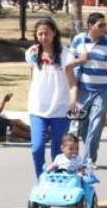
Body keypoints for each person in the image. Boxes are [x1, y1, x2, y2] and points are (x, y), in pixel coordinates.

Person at [69, 12, 107, 166]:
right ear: (90, 26)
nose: (103, 28)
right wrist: (80, 60)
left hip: (102, 90)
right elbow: (68, 64)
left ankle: (87, 159)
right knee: (81, 124)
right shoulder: (78, 40)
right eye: (100, 25)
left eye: (105, 25)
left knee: (96, 125)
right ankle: (92, 151)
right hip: (82, 88)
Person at [26, 18, 75, 178]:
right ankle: (41, 178)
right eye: (39, 34)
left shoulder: (65, 54)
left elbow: (72, 82)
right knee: (37, 147)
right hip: (38, 108)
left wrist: (73, 101)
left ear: (54, 33)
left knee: (57, 150)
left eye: (46, 33)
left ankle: (56, 179)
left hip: (60, 109)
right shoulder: (32, 53)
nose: (43, 37)